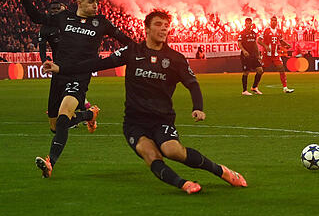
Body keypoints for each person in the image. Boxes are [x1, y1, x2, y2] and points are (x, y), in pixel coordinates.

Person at [43, 10, 247, 194]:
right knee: (151, 154)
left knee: (173, 151)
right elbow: (98, 63)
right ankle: (184, 184)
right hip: (134, 123)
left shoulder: (174, 58)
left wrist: (198, 108)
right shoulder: (132, 51)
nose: (163, 28)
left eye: (166, 25)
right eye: (158, 24)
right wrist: (61, 69)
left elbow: (192, 84)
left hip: (162, 119)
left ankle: (221, 171)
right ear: (147, 28)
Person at [11, 0, 132, 178]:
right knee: (54, 125)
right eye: (91, 2)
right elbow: (36, 17)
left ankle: (50, 162)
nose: (96, 6)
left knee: (64, 117)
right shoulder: (64, 17)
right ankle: (88, 114)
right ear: (79, 2)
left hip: (79, 76)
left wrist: (144, 50)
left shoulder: (101, 23)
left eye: (97, 2)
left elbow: (124, 39)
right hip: (59, 74)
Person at [259, 15, 294, 93]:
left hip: (275, 54)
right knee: (261, 70)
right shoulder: (266, 30)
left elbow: (281, 41)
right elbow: (259, 40)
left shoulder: (279, 31)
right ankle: (255, 86)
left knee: (281, 69)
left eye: (275, 21)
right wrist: (265, 46)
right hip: (266, 54)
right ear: (270, 22)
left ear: (277, 22)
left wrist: (287, 45)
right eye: (272, 20)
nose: (274, 22)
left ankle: (285, 88)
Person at [238, 17, 263, 95]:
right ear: (245, 24)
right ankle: (244, 91)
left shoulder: (253, 33)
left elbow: (255, 44)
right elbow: (239, 43)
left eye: (250, 23)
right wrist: (244, 51)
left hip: (253, 55)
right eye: (247, 23)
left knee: (260, 70)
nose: (248, 25)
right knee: (246, 72)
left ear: (252, 24)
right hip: (245, 56)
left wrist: (258, 54)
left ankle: (254, 87)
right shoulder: (242, 33)